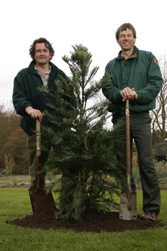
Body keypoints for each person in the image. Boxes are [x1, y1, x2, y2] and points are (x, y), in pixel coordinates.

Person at [102, 23, 163, 222]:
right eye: (122, 36)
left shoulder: (147, 58)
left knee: (146, 163)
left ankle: (151, 209)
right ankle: (126, 205)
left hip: (141, 117)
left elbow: (155, 82)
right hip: (120, 119)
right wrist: (120, 93)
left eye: (129, 35)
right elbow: (106, 87)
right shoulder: (112, 64)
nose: (125, 38)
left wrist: (137, 94)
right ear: (118, 40)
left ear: (134, 38)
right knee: (122, 164)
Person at [12, 37, 70, 188]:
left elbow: (71, 101)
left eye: (45, 50)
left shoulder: (61, 76)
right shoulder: (23, 76)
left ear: (50, 54)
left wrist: (67, 119)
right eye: (38, 51)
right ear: (33, 54)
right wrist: (29, 109)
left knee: (68, 166)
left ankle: (67, 206)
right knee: (38, 170)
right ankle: (40, 206)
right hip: (35, 129)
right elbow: (18, 98)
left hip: (59, 130)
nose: (42, 53)